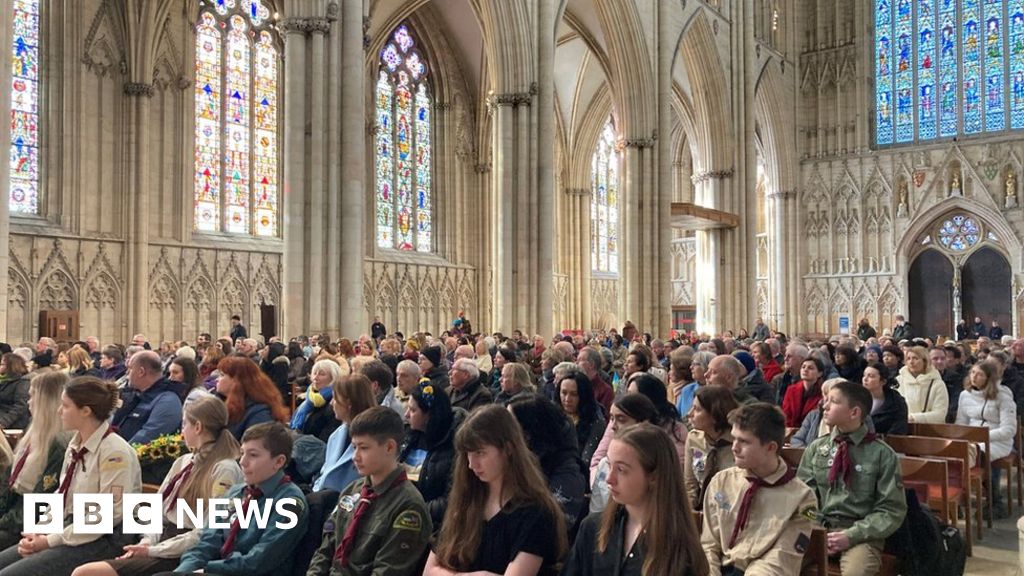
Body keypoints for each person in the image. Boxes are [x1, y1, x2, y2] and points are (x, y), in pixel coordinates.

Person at [73, 395, 244, 576]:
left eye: (184, 424)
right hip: (161, 542)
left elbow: (207, 532)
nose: (182, 430)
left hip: (184, 552)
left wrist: (153, 550)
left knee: (85, 573)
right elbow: (157, 509)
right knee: (86, 570)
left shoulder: (224, 469)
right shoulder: (184, 462)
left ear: (198, 427)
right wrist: (147, 542)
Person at [0, 377, 142, 576]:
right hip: (72, 527)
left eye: (65, 406)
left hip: (105, 537)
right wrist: (39, 531)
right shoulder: (75, 445)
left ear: (86, 411)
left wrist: (49, 540)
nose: (59, 411)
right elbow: (62, 494)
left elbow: (106, 516)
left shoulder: (114, 452)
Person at [424, 405, 566, 576]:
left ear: (508, 449)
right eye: (468, 454)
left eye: (480, 453)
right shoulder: (467, 499)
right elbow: (429, 570)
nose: (471, 464)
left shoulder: (537, 513)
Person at [155, 422, 307, 576]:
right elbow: (206, 543)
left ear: (279, 461)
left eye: (253, 455)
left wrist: (208, 569)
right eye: (242, 453)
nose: (242, 462)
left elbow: (259, 560)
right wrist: (182, 572)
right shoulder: (235, 492)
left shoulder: (290, 503)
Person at [564, 423, 709, 576]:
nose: (609, 478)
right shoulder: (593, 528)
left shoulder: (680, 550)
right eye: (609, 465)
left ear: (653, 477)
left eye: (621, 470)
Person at [797, 381, 907, 576]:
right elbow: (802, 496)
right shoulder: (817, 448)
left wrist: (851, 535)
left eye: (834, 401)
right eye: (826, 400)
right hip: (817, 528)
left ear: (854, 412)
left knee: (857, 572)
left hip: (861, 534)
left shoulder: (881, 454)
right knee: (779, 563)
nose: (825, 405)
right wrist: (816, 527)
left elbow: (891, 510)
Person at [307, 407, 431, 576]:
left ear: (389, 447)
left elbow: (387, 571)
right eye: (354, 447)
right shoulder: (351, 491)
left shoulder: (408, 507)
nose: (355, 456)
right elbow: (325, 550)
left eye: (363, 448)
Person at [702, 403, 818, 575]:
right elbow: (709, 543)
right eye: (734, 438)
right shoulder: (721, 481)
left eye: (744, 441)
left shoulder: (802, 499)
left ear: (770, 447)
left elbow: (781, 559)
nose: (734, 447)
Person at [0, 372, 70, 551]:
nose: (28, 402)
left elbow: (42, 502)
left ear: (47, 402)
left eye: (32, 396)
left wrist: (4, 520)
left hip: (28, 523)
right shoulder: (33, 433)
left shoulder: (60, 444)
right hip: (13, 512)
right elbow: (8, 483)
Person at [508, 395, 588, 534]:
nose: (505, 430)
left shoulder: (567, 473)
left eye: (510, 424)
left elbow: (554, 526)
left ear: (528, 433)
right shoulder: (516, 459)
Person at [956, 359, 1017, 514]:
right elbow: (961, 422)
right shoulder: (965, 395)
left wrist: (981, 436)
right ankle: (957, 499)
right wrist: (961, 437)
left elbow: (1009, 429)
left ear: (990, 378)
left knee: (976, 453)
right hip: (972, 439)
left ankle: (995, 501)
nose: (974, 377)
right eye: (972, 373)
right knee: (952, 452)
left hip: (998, 440)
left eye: (980, 374)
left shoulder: (1003, 396)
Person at [400, 382, 460, 528]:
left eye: (413, 410)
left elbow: (449, 501)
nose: (406, 414)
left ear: (430, 415)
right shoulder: (408, 435)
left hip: (428, 522)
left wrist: (410, 511)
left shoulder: (453, 448)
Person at [311, 374, 378, 493]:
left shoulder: (374, 439)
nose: (331, 403)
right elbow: (324, 474)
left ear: (349, 404)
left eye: (335, 399)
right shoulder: (336, 435)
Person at [685, 386, 740, 511]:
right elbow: (690, 485)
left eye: (697, 409)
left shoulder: (738, 442)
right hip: (702, 509)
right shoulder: (694, 438)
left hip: (732, 510)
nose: (689, 414)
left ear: (715, 415)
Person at [111, 350, 183, 444]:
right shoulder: (136, 395)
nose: (127, 374)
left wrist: (118, 454)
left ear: (141, 372)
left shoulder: (167, 401)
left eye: (130, 369)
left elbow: (147, 437)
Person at [216, 356, 289, 440]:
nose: (217, 379)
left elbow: (255, 446)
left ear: (236, 381)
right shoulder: (219, 401)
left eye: (222, 375)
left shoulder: (260, 413)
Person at [557, 372, 606, 465]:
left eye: (574, 394)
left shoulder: (596, 422)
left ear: (583, 395)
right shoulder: (553, 415)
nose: (567, 399)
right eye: (563, 393)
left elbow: (587, 460)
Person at [290, 359, 344, 442]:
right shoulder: (309, 399)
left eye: (322, 374)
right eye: (314, 373)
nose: (315, 378)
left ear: (333, 377)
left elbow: (327, 438)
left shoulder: (334, 403)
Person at [896, 346, 949, 423]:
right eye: (908, 359)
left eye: (915, 358)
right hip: (902, 427)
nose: (911, 362)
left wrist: (913, 418)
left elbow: (940, 414)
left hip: (929, 430)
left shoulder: (937, 384)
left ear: (925, 361)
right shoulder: (898, 381)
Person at [861, 363, 908, 436]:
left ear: (883, 381)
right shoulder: (856, 398)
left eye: (871, 376)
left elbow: (898, 430)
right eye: (864, 375)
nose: (865, 379)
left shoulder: (896, 402)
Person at [782, 357, 825, 429]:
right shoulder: (791, 389)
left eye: (810, 368)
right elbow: (786, 413)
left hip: (811, 431)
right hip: (791, 429)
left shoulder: (823, 392)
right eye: (803, 367)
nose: (805, 370)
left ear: (819, 374)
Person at [0, 354, 31, 429]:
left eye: (2, 364)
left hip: (12, 423)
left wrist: (3, 422)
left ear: (11, 366)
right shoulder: (3, 381)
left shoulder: (22, 382)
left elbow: (20, 406)